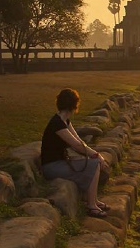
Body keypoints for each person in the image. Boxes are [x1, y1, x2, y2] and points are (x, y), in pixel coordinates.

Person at [41, 88, 110, 218]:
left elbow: (79, 140)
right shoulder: (57, 123)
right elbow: (77, 145)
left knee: (93, 163)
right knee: (94, 163)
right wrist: (97, 155)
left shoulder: (64, 120)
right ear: (74, 105)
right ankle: (91, 206)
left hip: (59, 162)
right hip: (52, 167)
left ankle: (94, 201)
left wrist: (93, 154)